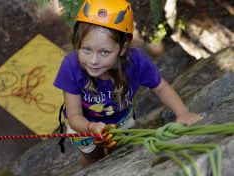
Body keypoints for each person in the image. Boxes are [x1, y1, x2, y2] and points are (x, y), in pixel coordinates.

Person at [53, 0, 202, 166]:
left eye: (104, 52)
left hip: (121, 121)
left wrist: (181, 112)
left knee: (121, 152)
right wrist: (91, 128)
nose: (93, 60)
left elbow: (160, 87)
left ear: (123, 48)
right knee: (93, 159)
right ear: (77, 43)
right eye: (86, 49)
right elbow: (74, 115)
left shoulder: (136, 62)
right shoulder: (71, 65)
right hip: (84, 127)